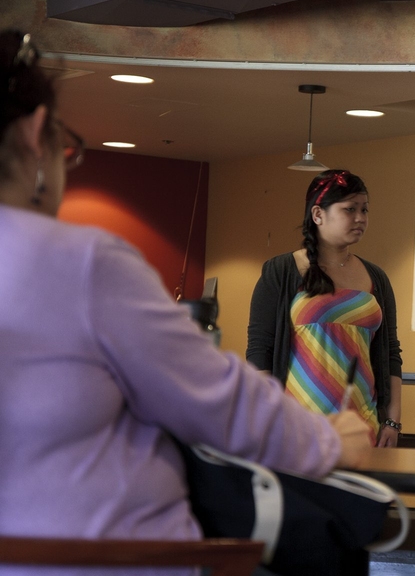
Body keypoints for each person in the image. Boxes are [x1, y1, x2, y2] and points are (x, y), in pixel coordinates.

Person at [0, 29, 372, 572]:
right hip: (111, 559)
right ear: (36, 135)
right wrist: (325, 442)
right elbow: (216, 397)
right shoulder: (82, 261)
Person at [247, 169, 403, 447]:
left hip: (362, 426)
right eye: (349, 209)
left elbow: (391, 352)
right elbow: (260, 350)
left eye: (364, 209)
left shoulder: (376, 276)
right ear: (318, 215)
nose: (360, 218)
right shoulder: (281, 271)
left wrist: (391, 421)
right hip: (296, 425)